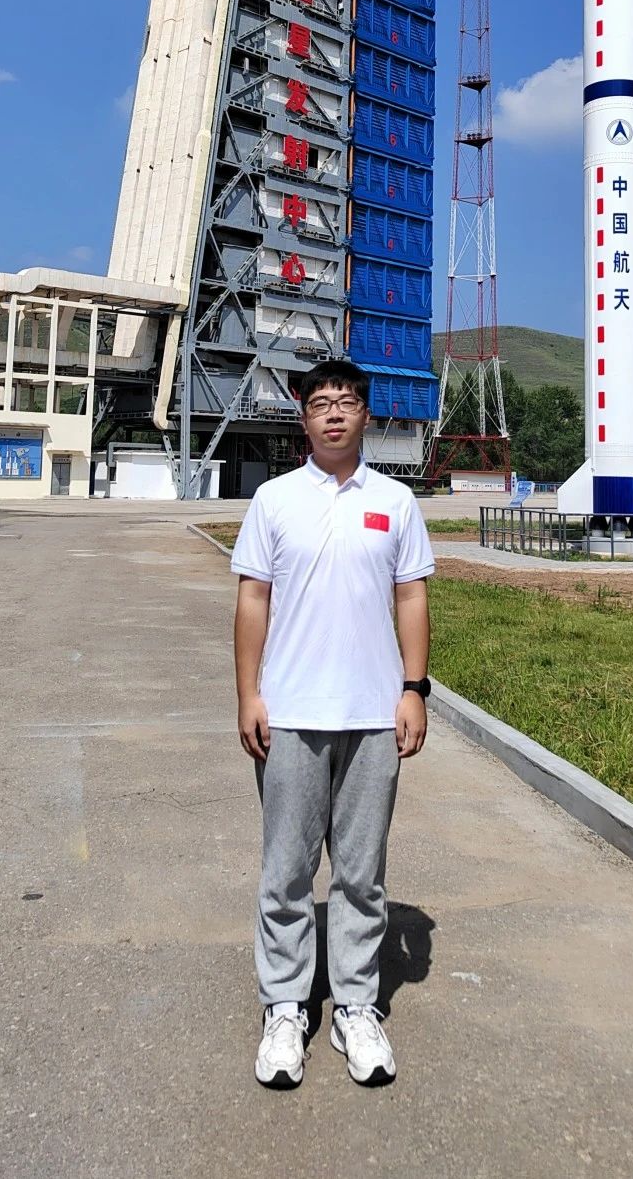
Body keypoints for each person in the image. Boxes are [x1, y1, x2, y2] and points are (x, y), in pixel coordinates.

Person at [231, 358, 435, 1090]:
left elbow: (411, 597)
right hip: (290, 713)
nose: (335, 413)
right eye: (321, 403)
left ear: (366, 414)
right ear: (304, 418)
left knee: (360, 872)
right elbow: (252, 598)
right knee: (287, 870)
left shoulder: (396, 501)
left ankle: (354, 1004)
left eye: (347, 401)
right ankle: (286, 1006)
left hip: (373, 714)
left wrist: (413, 688)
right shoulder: (274, 499)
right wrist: (248, 694)